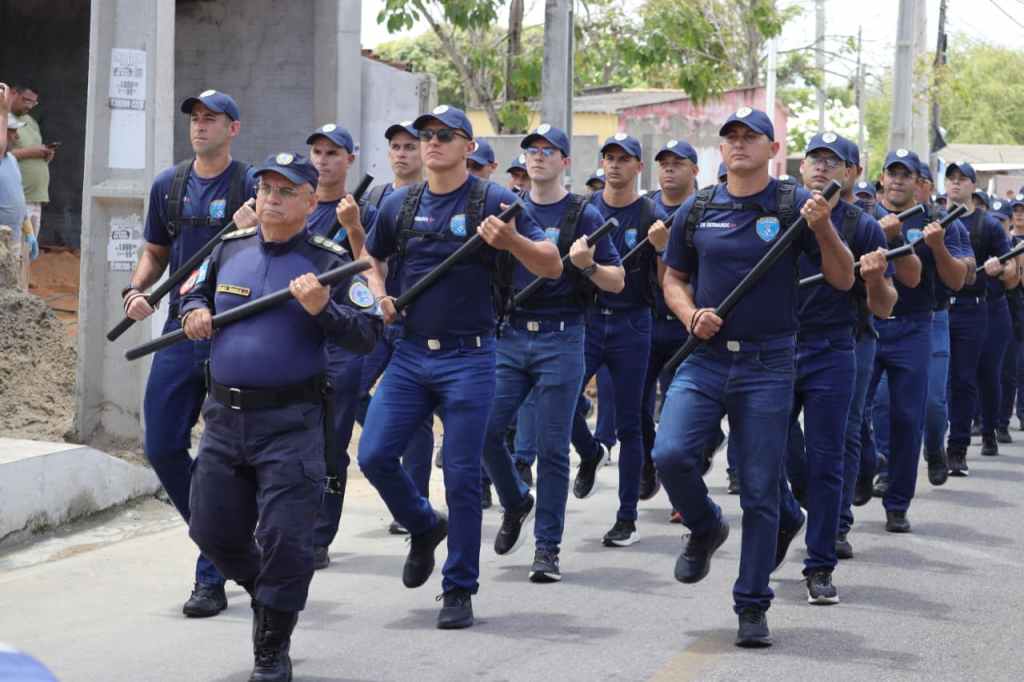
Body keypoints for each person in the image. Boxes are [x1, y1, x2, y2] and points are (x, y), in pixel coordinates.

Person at [653, 107, 854, 648]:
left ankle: (751, 603)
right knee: (669, 454)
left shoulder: (794, 205)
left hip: (769, 363)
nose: (739, 144)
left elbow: (842, 279)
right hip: (706, 356)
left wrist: (823, 227)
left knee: (761, 489)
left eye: (751, 136)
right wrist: (690, 314)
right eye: (731, 137)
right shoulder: (699, 207)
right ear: (722, 149)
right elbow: (673, 279)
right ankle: (704, 525)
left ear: (773, 149)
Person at [358, 104, 560, 629]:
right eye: (425, 134)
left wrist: (511, 241)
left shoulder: (494, 201)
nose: (432, 142)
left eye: (445, 135)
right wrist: (379, 294)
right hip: (409, 353)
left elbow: (551, 264)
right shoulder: (399, 203)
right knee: (374, 454)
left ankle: (458, 588)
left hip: (469, 356)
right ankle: (424, 525)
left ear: (468, 147)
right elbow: (371, 258)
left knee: (462, 474)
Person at [181, 151, 380, 682]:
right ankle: (269, 595)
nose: (272, 198)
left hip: (291, 423)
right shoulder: (229, 248)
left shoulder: (330, 261)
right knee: (210, 530)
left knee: (288, 539)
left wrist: (323, 309)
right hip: (224, 419)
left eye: (287, 190)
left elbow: (367, 334)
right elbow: (192, 290)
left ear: (311, 202)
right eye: (266, 188)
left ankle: (272, 644)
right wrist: (194, 311)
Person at [121, 89, 256, 618]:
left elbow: (278, 244)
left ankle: (211, 574)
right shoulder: (169, 185)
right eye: (195, 119)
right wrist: (137, 290)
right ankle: (227, 540)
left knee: (226, 458)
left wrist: (255, 225)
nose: (200, 126)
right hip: (180, 330)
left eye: (211, 119)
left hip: (233, 331)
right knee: (161, 446)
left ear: (233, 128)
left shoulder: (251, 184)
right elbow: (156, 251)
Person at [480, 124, 624, 582]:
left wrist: (588, 265)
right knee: (483, 431)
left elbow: (617, 281)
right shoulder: (506, 209)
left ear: (565, 161)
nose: (538, 156)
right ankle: (516, 500)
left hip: (562, 337)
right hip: (510, 335)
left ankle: (547, 548)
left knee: (552, 447)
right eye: (531, 150)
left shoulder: (583, 213)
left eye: (548, 150)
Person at [779, 132, 895, 603]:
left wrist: (875, 279)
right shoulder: (778, 213)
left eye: (834, 161)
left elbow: (884, 306)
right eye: (815, 159)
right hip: (776, 349)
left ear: (851, 173)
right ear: (801, 167)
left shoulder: (863, 227)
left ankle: (820, 564)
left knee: (828, 458)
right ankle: (792, 512)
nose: (823, 167)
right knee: (767, 450)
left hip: (832, 350)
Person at [864, 149, 969, 531]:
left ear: (919, 182)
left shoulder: (937, 223)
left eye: (905, 175)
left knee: (909, 418)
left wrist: (936, 245)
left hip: (914, 327)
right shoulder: (863, 218)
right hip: (868, 326)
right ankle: (863, 474)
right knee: (854, 414)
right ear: (881, 178)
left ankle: (897, 504)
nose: (897, 180)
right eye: (891, 173)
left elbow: (958, 280)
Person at [569, 132, 665, 547]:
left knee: (630, 423)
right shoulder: (585, 209)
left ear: (639, 167)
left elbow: (667, 280)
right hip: (588, 320)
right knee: (563, 398)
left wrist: (661, 250)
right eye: (609, 157)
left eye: (624, 159)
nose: (614, 165)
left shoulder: (650, 214)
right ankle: (590, 451)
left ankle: (627, 517)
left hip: (633, 324)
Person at [358, 120, 434, 535]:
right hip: (379, 316)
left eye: (410, 146)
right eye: (396, 147)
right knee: (349, 389)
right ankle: (389, 432)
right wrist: (376, 295)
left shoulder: (435, 198)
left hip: (418, 321)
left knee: (420, 417)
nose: (402, 153)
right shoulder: (376, 198)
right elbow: (364, 255)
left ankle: (413, 504)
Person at [640, 139, 713, 510]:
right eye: (664, 163)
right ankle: (646, 465)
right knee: (635, 406)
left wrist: (662, 248)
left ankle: (684, 497)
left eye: (678, 163)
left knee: (680, 411)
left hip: (688, 322)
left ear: (694, 170)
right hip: (647, 320)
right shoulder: (646, 208)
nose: (669, 169)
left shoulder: (705, 209)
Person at [946, 164, 1018, 465]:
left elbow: (1011, 273)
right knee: (951, 380)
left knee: (986, 374)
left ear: (973, 186)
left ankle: (988, 430)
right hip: (945, 308)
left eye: (962, 179)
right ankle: (946, 440)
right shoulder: (936, 221)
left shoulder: (988, 225)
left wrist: (998, 268)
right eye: (951, 179)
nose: (955, 184)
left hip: (984, 307)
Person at [7, 81, 51, 285]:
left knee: (25, 256)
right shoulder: (3, 119)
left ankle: (21, 292)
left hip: (35, 198)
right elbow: (4, 154)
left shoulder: (31, 122)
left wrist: (45, 154)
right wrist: (32, 152)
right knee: (12, 255)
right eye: (26, 100)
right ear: (13, 93)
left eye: (33, 103)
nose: (29, 106)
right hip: (15, 200)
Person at [1, 105, 29, 277]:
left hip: (14, 239)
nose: (16, 136)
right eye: (11, 131)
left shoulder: (11, 160)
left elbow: (19, 198)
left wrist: (29, 233)